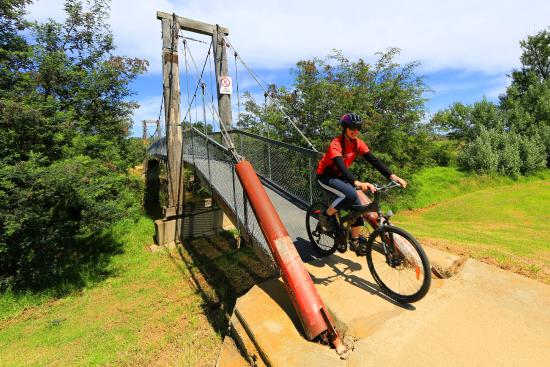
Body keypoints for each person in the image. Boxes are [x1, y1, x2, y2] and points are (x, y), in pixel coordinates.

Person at [316, 113, 407, 254]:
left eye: (358, 128)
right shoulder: (336, 143)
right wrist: (356, 182)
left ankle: (354, 240)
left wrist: (393, 176)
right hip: (326, 177)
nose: (355, 131)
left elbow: (374, 160)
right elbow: (340, 165)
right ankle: (325, 216)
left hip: (341, 177)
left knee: (358, 208)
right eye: (352, 128)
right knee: (350, 194)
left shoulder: (357, 143)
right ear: (345, 128)